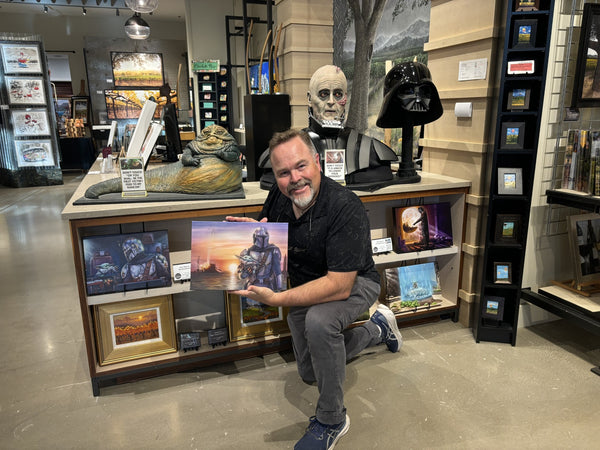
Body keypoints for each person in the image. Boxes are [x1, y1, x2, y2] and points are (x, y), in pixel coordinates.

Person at [227, 128, 402, 450]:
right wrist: (251, 232)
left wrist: (279, 298)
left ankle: (332, 419)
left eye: (301, 166)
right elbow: (265, 229)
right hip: (308, 284)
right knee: (309, 372)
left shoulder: (344, 206)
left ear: (318, 162)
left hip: (356, 282)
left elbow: (338, 285)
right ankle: (376, 330)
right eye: (283, 172)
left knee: (319, 323)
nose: (294, 178)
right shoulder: (280, 195)